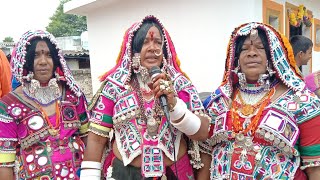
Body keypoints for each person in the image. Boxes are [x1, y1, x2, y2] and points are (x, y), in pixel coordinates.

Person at [81, 15, 210, 180]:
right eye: (144, 42)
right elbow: (96, 141)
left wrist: (174, 105)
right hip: (125, 174)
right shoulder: (114, 86)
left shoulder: (179, 84)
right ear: (133, 50)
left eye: (157, 42)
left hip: (174, 173)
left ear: (164, 50)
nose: (152, 48)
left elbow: (203, 133)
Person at [198, 22, 320, 179]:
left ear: (273, 55)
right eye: (244, 49)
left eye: (260, 48)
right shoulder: (219, 102)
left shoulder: (302, 101)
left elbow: (315, 169)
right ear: (236, 59)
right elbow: (206, 157)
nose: (251, 53)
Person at [0, 30, 89, 179]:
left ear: (56, 59)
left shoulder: (73, 95)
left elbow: (89, 139)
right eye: (36, 55)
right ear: (25, 60)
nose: (43, 61)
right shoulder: (9, 105)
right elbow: (5, 164)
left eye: (48, 55)